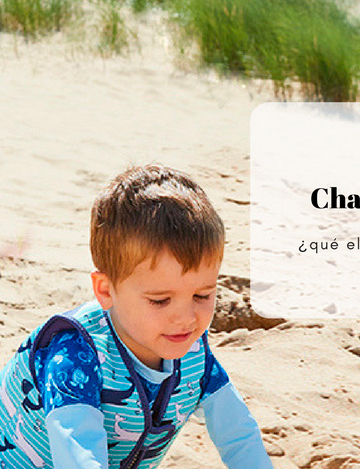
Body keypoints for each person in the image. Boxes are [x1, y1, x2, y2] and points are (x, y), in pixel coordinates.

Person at [0, 165, 273, 469]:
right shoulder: (76, 354)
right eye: (160, 300)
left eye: (202, 295)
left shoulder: (194, 352)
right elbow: (78, 456)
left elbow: (238, 434)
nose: (185, 318)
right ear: (106, 290)